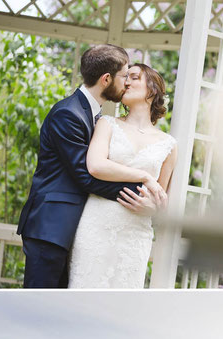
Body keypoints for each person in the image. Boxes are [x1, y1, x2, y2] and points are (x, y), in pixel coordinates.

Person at [17, 45, 163, 289]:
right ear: (106, 79)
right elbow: (85, 176)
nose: (126, 82)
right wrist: (140, 192)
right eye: (124, 76)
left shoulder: (92, 115)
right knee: (37, 307)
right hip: (51, 227)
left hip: (71, 229)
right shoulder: (68, 114)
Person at [69, 62, 177, 289]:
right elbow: (96, 166)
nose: (126, 81)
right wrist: (144, 177)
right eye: (125, 77)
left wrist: (153, 209)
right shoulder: (107, 124)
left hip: (135, 234)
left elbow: (161, 199)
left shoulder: (168, 145)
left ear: (152, 89)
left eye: (134, 77)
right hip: (97, 225)